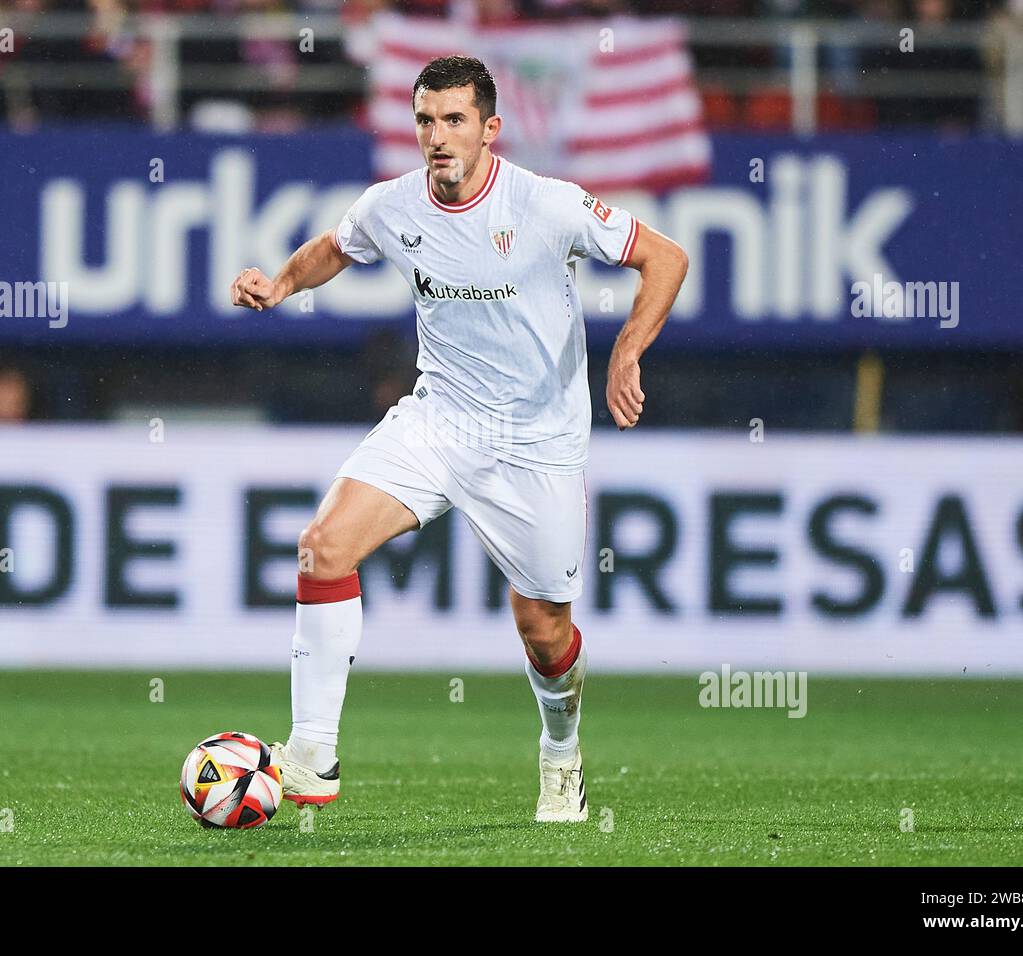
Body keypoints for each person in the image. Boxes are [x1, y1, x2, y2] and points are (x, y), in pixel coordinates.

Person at [229, 56, 688, 822]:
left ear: (490, 130)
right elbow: (337, 247)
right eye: (424, 121)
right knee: (323, 546)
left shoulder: (545, 204)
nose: (436, 137)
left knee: (543, 630)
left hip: (537, 440)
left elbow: (664, 257)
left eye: (453, 121)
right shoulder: (394, 204)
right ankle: (311, 755)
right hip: (440, 418)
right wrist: (280, 284)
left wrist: (629, 349)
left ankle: (560, 752)